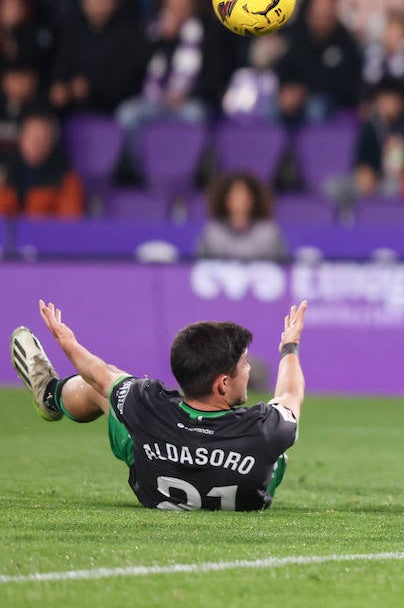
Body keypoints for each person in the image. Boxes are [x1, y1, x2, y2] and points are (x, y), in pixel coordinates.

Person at [9, 299, 307, 511]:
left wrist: (69, 345)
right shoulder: (264, 429)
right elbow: (290, 393)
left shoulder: (146, 405)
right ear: (223, 384)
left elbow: (100, 376)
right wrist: (289, 347)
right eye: (243, 365)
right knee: (278, 455)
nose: (249, 370)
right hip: (243, 493)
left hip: (155, 475)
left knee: (105, 391)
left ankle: (51, 394)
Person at [196, 172, 288, 262]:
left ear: (252, 200)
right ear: (227, 200)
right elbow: (198, 264)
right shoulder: (213, 232)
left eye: (244, 196)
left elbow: (284, 265)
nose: (240, 200)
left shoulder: (268, 232)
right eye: (235, 195)